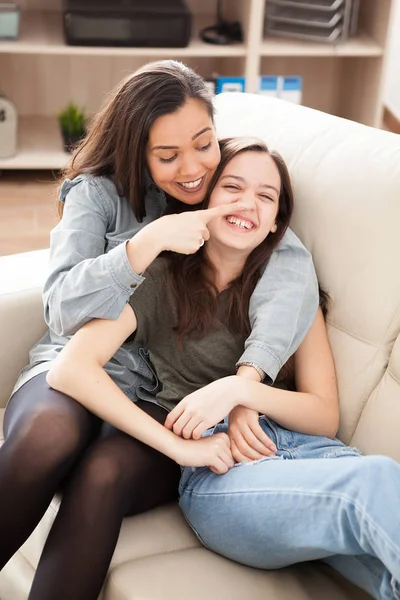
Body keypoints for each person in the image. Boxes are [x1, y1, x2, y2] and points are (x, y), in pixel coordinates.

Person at [0, 60, 317, 600]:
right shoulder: (98, 194)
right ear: (138, 153)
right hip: (79, 365)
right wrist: (146, 243)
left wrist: (248, 383)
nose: (193, 168)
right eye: (168, 156)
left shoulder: (227, 180)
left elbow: (285, 256)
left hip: (164, 402)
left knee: (103, 474)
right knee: (47, 434)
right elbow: (61, 309)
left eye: (204, 144)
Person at [49, 137, 400, 600]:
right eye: (232, 187)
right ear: (205, 200)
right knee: (375, 483)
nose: (247, 204)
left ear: (276, 221)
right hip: (225, 474)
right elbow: (70, 369)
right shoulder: (159, 279)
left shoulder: (292, 292)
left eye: (265, 196)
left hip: (313, 459)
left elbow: (324, 417)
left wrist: (240, 391)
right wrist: (180, 447)